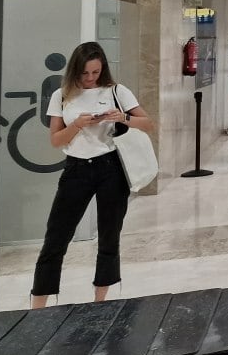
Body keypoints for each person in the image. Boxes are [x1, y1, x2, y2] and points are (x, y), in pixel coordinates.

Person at [30, 42, 153, 308]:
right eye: (85, 73)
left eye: (95, 72)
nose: (90, 78)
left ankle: (101, 302)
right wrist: (76, 124)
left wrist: (122, 118)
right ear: (75, 69)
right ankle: (37, 306)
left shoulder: (117, 91)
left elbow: (148, 124)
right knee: (56, 236)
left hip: (111, 167)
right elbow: (55, 140)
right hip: (76, 168)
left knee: (110, 235)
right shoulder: (61, 95)